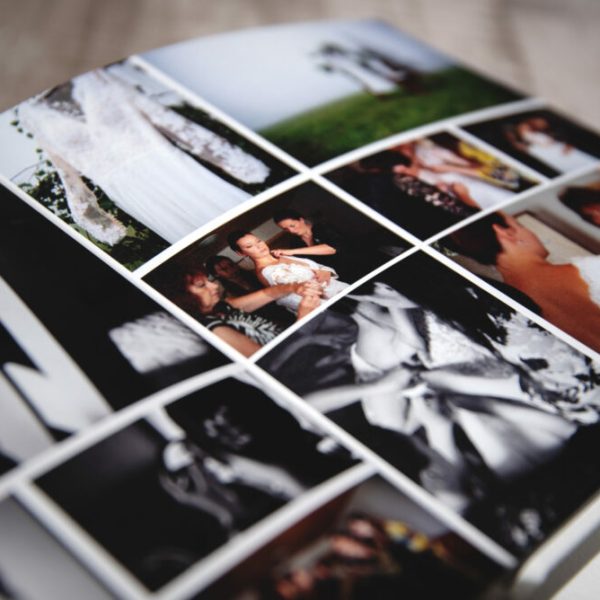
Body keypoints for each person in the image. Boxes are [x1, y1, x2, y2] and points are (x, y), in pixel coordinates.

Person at [19, 68, 270, 245]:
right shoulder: (31, 115)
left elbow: (161, 116)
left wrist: (229, 159)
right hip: (128, 189)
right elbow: (63, 167)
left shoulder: (92, 78)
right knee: (207, 246)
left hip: (169, 166)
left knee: (254, 225)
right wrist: (91, 216)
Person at [449, 213, 600, 352]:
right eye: (520, 226)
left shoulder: (503, 312)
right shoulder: (593, 267)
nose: (530, 233)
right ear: (505, 232)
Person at [184, 268, 322, 356]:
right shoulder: (212, 329)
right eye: (202, 285)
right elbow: (272, 363)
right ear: (184, 297)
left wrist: (295, 287)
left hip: (302, 343)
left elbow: (268, 293)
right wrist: (304, 320)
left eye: (208, 281)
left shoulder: (221, 308)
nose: (214, 286)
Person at [228, 230, 348, 312]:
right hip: (334, 305)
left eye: (258, 241)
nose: (259, 246)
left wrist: (326, 271)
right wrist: (333, 307)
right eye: (249, 246)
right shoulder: (265, 273)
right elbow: (289, 300)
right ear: (241, 253)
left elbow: (320, 267)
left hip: (344, 288)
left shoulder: (284, 255)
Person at [505, 116, 598, 174]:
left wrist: (568, 143)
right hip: (552, 154)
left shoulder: (535, 127)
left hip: (562, 149)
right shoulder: (527, 144)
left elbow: (549, 135)